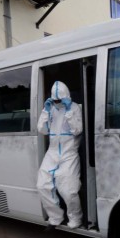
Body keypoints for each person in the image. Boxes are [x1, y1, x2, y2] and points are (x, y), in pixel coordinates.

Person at [37, 81, 83, 230]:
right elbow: (42, 130)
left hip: (69, 153)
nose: (57, 103)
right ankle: (55, 216)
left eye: (59, 100)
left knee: (69, 190)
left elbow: (77, 130)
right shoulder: (50, 110)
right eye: (55, 100)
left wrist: (69, 110)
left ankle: (76, 217)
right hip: (52, 152)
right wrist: (45, 111)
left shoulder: (75, 108)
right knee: (42, 185)